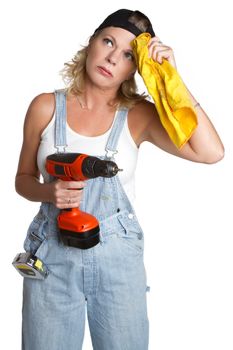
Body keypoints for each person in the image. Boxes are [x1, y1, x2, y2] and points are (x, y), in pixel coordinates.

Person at [15, 8, 224, 350]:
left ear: (135, 68)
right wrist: (48, 192)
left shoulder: (138, 116)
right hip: (51, 255)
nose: (112, 58)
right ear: (92, 42)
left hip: (117, 262)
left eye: (128, 55)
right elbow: (22, 179)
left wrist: (172, 77)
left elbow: (211, 152)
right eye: (108, 41)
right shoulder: (44, 107)